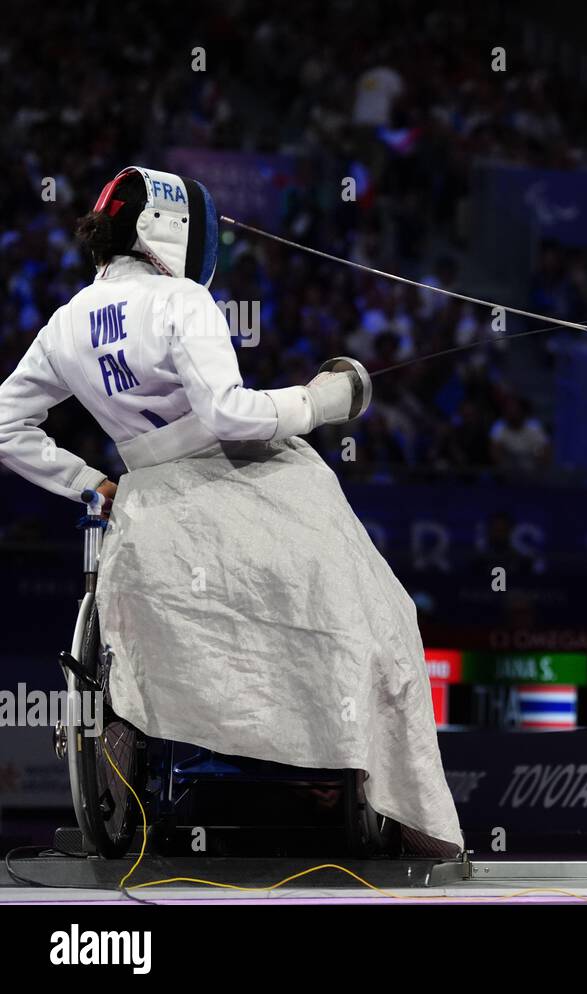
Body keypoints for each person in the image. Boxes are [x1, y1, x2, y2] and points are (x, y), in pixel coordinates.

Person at [0, 166, 461, 854]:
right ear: (173, 232)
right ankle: (404, 810)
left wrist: (93, 484)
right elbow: (229, 414)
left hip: (148, 511)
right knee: (385, 612)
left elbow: (5, 423)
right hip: (247, 483)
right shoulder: (182, 301)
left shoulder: (65, 324)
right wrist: (325, 400)